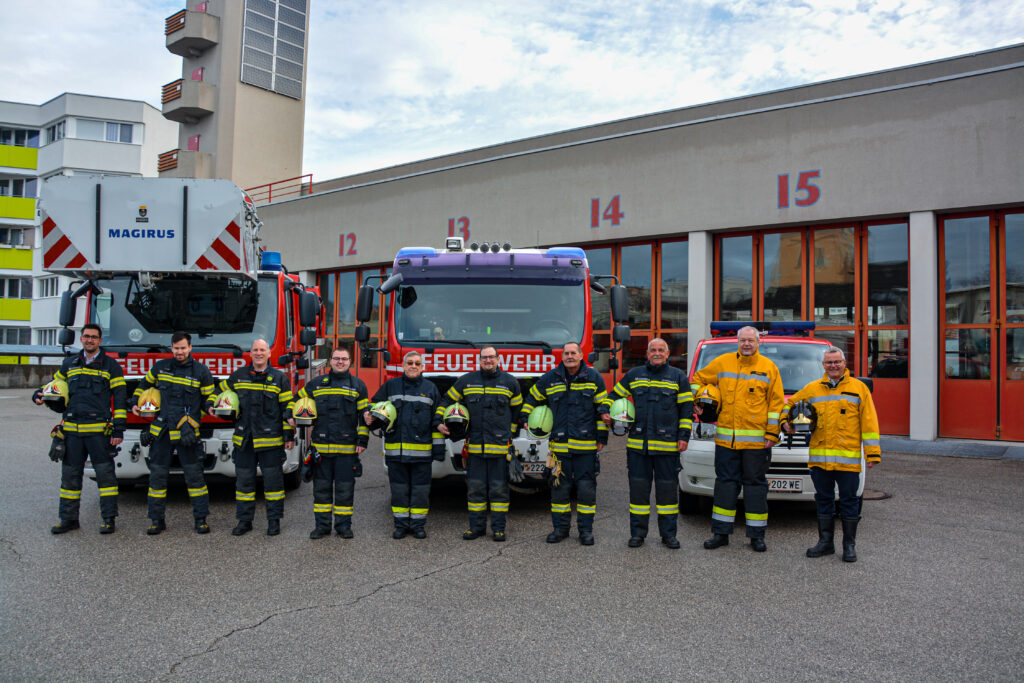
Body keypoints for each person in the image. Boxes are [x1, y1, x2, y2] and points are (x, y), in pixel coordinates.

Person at [782, 346, 881, 562]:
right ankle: (825, 543)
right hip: (820, 461)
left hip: (848, 461)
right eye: (829, 363)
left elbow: (869, 422)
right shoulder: (812, 389)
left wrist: (872, 454)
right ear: (823, 365)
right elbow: (788, 404)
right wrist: (786, 424)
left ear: (845, 363)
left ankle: (849, 546)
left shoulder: (858, 389)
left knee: (848, 502)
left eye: (837, 362)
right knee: (824, 500)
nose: (833, 366)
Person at [691, 326, 784, 552]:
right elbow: (697, 379)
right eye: (743, 340)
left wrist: (772, 434)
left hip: (757, 444)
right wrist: (701, 399)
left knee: (755, 487)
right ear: (738, 342)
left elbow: (776, 405)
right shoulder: (723, 363)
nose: (746, 344)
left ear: (758, 342)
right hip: (726, 442)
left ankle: (756, 536)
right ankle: (721, 533)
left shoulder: (769, 368)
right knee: (725, 486)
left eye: (751, 340)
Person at [34, 324, 126, 535]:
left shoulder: (111, 366)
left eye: (94, 337)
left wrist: (118, 430)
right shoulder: (69, 364)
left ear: (100, 341)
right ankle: (68, 520)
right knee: (70, 478)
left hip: (98, 433)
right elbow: (54, 385)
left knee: (106, 478)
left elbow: (119, 400)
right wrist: (38, 395)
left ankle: (108, 519)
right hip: (72, 433)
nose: (89, 340)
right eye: (86, 336)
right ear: (81, 339)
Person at [522, 341, 610, 546]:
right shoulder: (550, 379)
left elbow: (602, 408)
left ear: (581, 356)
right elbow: (531, 398)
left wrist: (602, 438)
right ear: (562, 357)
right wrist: (525, 416)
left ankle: (585, 531)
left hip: (586, 448)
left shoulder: (593, 378)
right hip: (559, 449)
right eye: (566, 353)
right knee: (559, 489)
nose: (569, 356)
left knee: (586, 490)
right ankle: (560, 530)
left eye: (573, 353)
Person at [611, 338, 693, 549]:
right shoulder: (634, 375)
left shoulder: (678, 377)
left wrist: (684, 436)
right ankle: (638, 534)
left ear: (667, 354)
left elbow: (686, 410)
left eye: (660, 350)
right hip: (638, 448)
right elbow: (612, 397)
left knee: (667, 495)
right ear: (647, 354)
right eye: (653, 350)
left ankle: (668, 536)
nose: (657, 353)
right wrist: (605, 412)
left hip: (668, 449)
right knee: (638, 494)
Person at [132, 331, 217, 535]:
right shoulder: (161, 368)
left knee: (195, 479)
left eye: (183, 348)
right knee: (157, 479)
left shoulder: (201, 371)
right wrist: (135, 402)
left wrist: (212, 408)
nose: (180, 351)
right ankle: (156, 520)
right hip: (161, 433)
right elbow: (143, 386)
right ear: (171, 348)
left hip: (187, 432)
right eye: (176, 348)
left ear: (190, 348)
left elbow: (209, 398)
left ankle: (201, 519)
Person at [437, 346, 523, 542]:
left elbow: (518, 412)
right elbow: (446, 401)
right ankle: (476, 528)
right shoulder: (466, 381)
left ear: (498, 359)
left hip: (500, 450)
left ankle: (499, 529)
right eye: (484, 357)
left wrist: (509, 434)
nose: (488, 360)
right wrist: (438, 422)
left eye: (491, 357)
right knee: (475, 490)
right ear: (479, 360)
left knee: (499, 491)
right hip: (474, 449)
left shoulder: (510, 382)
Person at [218, 339, 295, 537]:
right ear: (250, 354)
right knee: (244, 484)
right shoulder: (238, 376)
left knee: (273, 485)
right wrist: (212, 404)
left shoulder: (279, 378)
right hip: (245, 440)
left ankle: (274, 522)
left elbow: (287, 410)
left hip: (270, 442)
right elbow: (218, 392)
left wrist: (289, 435)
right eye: (255, 350)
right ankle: (244, 521)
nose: (259, 353)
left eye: (262, 350)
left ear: (269, 354)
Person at [364, 350, 444, 539]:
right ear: (403, 365)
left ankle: (417, 526)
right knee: (399, 490)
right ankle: (400, 525)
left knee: (420, 491)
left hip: (422, 455)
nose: (413, 366)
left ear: (422, 367)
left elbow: (437, 422)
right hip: (396, 453)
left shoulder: (431, 388)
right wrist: (368, 413)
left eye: (417, 363)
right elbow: (375, 405)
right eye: (410, 363)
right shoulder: (390, 386)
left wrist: (438, 450)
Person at [296, 347, 369, 539]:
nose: (340, 362)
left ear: (350, 362)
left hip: (346, 451)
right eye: (336, 358)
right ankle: (322, 527)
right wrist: (290, 416)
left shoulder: (358, 386)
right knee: (321, 491)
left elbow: (364, 417)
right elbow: (295, 400)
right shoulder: (316, 384)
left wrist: (362, 440)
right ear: (330, 360)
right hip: (321, 450)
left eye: (344, 359)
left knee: (345, 491)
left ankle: (343, 527)